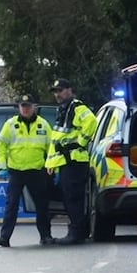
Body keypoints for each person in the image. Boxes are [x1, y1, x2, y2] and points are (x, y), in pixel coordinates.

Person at [0, 94, 55, 247]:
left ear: (34, 107)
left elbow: (51, 147)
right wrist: (1, 166)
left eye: (28, 106)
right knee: (11, 204)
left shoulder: (43, 125)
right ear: (19, 108)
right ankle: (5, 237)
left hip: (37, 170)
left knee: (42, 205)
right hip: (16, 171)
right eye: (23, 106)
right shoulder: (11, 124)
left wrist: (53, 166)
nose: (25, 109)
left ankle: (45, 236)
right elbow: (1, 144)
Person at [45, 78, 98, 245]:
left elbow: (92, 123)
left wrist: (78, 143)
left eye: (60, 90)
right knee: (69, 197)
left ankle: (76, 233)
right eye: (55, 91)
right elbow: (57, 139)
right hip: (66, 162)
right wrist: (51, 164)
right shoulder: (64, 109)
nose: (57, 94)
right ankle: (77, 231)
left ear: (69, 90)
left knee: (73, 198)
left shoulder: (76, 107)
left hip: (74, 160)